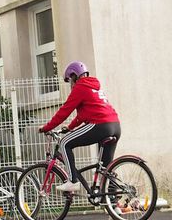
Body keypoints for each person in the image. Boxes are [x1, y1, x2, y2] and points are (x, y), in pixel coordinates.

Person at [38, 61, 121, 198]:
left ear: (75, 76)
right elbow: (82, 115)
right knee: (106, 169)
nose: (70, 84)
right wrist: (69, 127)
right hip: (115, 126)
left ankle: (72, 181)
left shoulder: (80, 87)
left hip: (100, 125)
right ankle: (114, 206)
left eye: (70, 80)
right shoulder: (94, 87)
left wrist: (47, 127)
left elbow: (64, 111)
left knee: (64, 143)